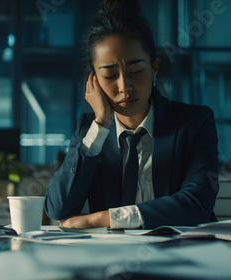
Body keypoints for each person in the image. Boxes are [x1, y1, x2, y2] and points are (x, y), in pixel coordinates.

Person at [44, 0, 219, 229]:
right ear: (94, 80)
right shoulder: (90, 131)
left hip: (183, 252)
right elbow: (58, 208)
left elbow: (197, 204)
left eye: (136, 71)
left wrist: (102, 218)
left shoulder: (195, 123)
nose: (125, 87)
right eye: (109, 76)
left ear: (154, 68)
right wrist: (100, 125)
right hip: (112, 259)